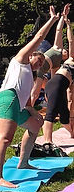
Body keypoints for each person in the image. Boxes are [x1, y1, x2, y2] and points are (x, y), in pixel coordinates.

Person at [0, 6, 53, 187]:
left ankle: (23, 161)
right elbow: (39, 38)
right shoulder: (20, 60)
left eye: (42, 63)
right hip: (7, 99)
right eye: (38, 59)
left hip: (17, 104)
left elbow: (26, 99)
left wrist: (34, 112)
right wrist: (52, 20)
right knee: (4, 138)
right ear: (31, 55)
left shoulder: (29, 75)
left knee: (36, 125)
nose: (39, 63)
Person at [43, 13, 74, 147]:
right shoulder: (71, 59)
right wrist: (68, 25)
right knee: (50, 114)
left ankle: (72, 133)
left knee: (65, 116)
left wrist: (72, 115)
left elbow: (71, 96)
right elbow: (71, 41)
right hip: (55, 85)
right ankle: (47, 142)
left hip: (58, 87)